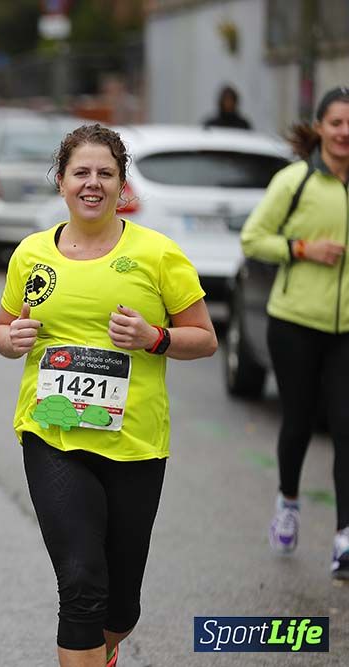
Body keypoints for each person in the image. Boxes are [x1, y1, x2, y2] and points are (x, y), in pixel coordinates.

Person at [0, 124, 217, 667]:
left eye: (105, 174)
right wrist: (10, 338)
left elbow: (205, 339)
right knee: (81, 581)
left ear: (122, 184)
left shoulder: (159, 255)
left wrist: (154, 337)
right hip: (53, 432)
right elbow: (3, 331)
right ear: (62, 182)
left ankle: (107, 648)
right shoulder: (31, 254)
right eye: (81, 173)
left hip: (134, 443)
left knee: (119, 610)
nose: (92, 184)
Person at [241, 86, 349, 578]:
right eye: (336, 123)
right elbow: (253, 237)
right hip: (295, 323)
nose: (345, 133)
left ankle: (345, 537)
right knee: (300, 422)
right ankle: (288, 503)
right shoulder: (296, 181)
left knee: (347, 429)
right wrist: (303, 249)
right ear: (321, 128)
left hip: (347, 329)